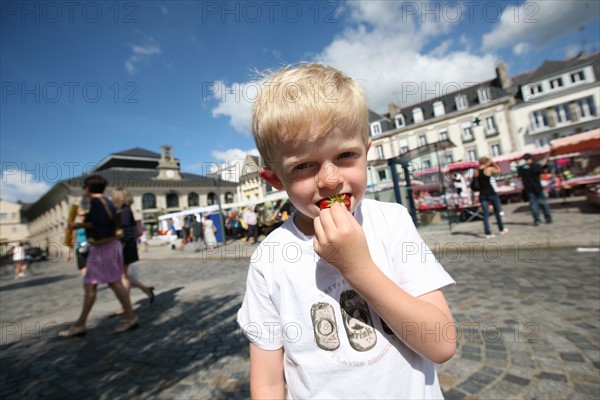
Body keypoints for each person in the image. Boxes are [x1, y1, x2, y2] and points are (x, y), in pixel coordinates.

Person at [236, 63, 456, 399]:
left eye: (345, 155)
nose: (330, 179)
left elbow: (440, 344)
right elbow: (267, 381)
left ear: (366, 153)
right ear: (275, 179)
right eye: (303, 166)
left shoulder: (391, 222)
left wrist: (357, 268)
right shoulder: (269, 260)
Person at [59, 174, 138, 337]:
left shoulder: (96, 202)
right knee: (92, 284)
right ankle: (81, 323)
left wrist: (77, 225)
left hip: (104, 248)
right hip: (106, 247)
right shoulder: (106, 201)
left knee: (112, 283)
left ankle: (130, 317)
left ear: (87, 188)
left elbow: (100, 224)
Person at [111, 188, 155, 316]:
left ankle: (126, 305)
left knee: (123, 276)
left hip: (125, 245)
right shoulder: (124, 210)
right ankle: (146, 290)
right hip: (126, 245)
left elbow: (124, 231)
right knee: (123, 275)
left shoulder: (125, 210)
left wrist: (119, 247)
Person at [473, 157, 509, 239]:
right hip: (491, 193)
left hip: (482, 195)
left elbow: (474, 183)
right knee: (497, 212)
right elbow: (499, 171)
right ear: (486, 162)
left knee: (485, 214)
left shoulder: (476, 172)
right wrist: (494, 163)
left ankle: (488, 233)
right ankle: (501, 229)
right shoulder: (488, 170)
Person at [518, 153, 553, 225]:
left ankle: (537, 220)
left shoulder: (521, 168)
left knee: (534, 205)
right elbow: (542, 176)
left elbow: (520, 178)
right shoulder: (536, 165)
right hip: (538, 187)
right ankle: (548, 218)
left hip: (528, 188)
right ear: (531, 158)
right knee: (543, 203)